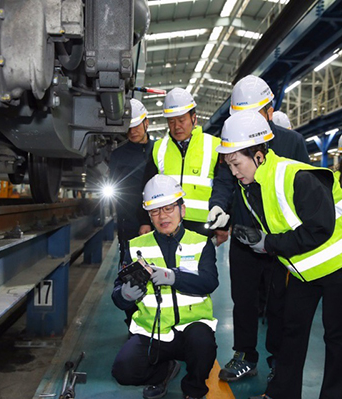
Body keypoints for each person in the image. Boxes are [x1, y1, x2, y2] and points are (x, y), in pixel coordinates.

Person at [216, 110, 342, 399]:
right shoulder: (252, 184)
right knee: (292, 329)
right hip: (307, 267)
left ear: (258, 155)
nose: (235, 172)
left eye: (237, 163)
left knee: (336, 338)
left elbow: (319, 229)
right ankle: (281, 394)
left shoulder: (297, 176)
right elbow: (278, 223)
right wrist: (235, 227)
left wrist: (269, 244)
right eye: (230, 165)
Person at [208, 75, 309, 383]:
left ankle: (277, 357)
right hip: (243, 236)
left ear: (270, 110)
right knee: (244, 300)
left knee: (281, 302)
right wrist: (219, 207)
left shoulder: (292, 143)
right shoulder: (231, 142)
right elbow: (224, 181)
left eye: (254, 114)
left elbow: (306, 189)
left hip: (280, 240)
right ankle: (244, 354)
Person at [111, 174, 218, 399]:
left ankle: (194, 389)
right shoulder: (134, 247)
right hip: (153, 330)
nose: (162, 216)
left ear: (182, 210)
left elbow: (210, 281)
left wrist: (173, 277)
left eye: (169, 208)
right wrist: (124, 295)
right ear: (149, 215)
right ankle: (164, 371)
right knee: (124, 371)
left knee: (203, 346)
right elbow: (117, 293)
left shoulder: (200, 242)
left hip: (192, 326)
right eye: (155, 211)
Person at [138, 88, 223, 239]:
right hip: (167, 225)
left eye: (182, 120)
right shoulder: (159, 149)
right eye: (171, 121)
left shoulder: (214, 146)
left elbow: (223, 187)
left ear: (194, 119)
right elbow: (147, 188)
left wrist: (222, 226)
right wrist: (145, 221)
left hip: (203, 227)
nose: (177, 126)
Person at [110, 98, 154, 261]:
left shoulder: (158, 151)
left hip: (157, 218)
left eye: (136, 125)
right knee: (130, 263)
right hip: (128, 219)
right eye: (128, 127)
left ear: (146, 123)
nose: (132, 131)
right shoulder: (118, 155)